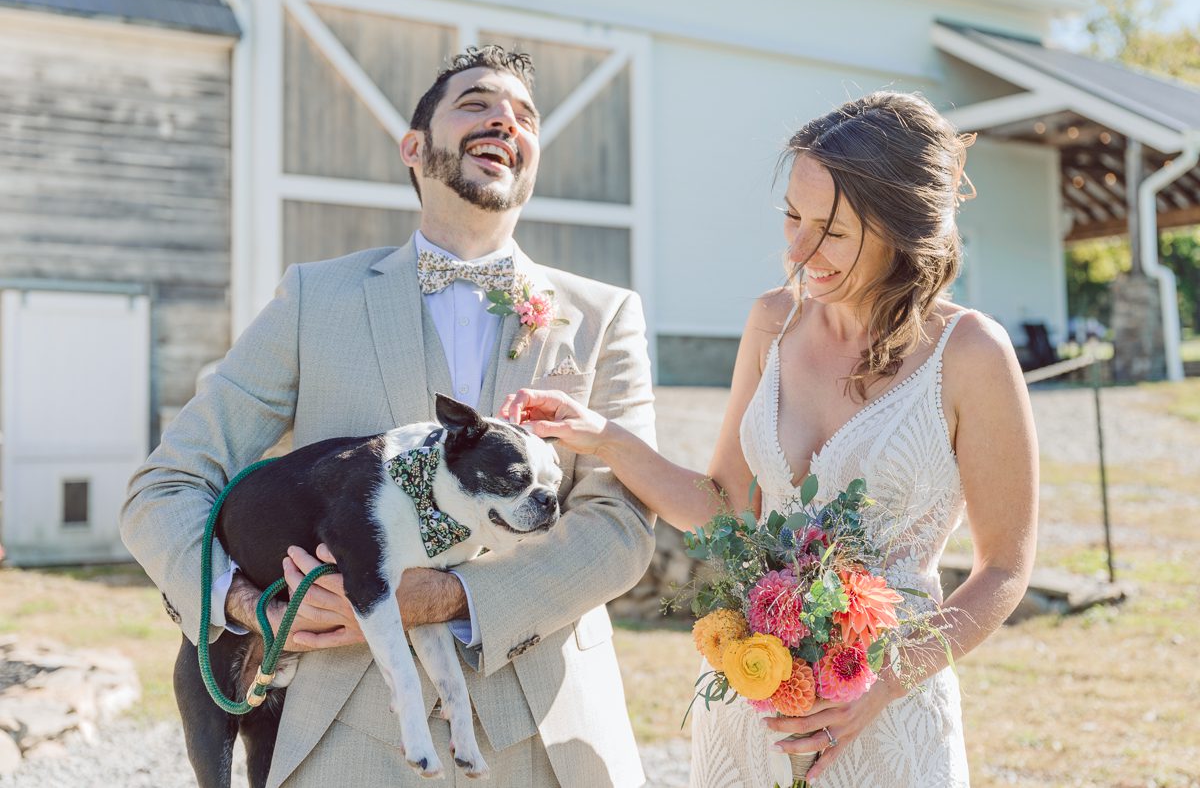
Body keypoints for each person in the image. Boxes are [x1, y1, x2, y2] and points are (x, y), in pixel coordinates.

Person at [120, 45, 656, 788]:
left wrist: (453, 595)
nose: (505, 117)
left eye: (525, 115)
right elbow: (168, 485)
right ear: (414, 147)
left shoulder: (604, 316)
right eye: (475, 102)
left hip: (550, 729)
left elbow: (623, 523)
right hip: (345, 729)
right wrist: (244, 605)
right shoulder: (315, 299)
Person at [504, 91, 1038, 787]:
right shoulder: (771, 323)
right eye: (792, 215)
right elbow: (726, 507)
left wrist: (878, 687)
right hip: (751, 698)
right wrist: (604, 438)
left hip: (886, 716)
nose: (797, 249)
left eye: (832, 231)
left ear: (902, 230)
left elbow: (1003, 569)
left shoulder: (971, 352)